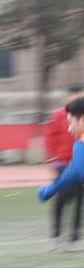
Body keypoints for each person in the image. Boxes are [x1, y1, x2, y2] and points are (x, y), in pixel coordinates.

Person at [43, 85, 84, 251]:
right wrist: (53, 159)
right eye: (74, 96)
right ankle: (55, 235)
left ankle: (74, 239)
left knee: (80, 200)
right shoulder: (58, 115)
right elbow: (49, 138)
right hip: (63, 163)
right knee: (62, 198)